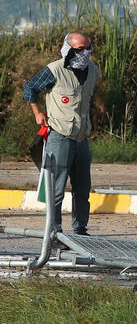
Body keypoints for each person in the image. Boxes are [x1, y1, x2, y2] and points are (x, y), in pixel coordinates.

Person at [23, 32, 100, 243]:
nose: (85, 53)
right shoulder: (54, 69)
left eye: (88, 49)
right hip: (60, 135)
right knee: (56, 190)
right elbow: (30, 87)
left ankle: (81, 230)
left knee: (82, 188)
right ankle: (54, 233)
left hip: (81, 137)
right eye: (79, 49)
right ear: (68, 49)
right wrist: (38, 113)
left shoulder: (93, 70)